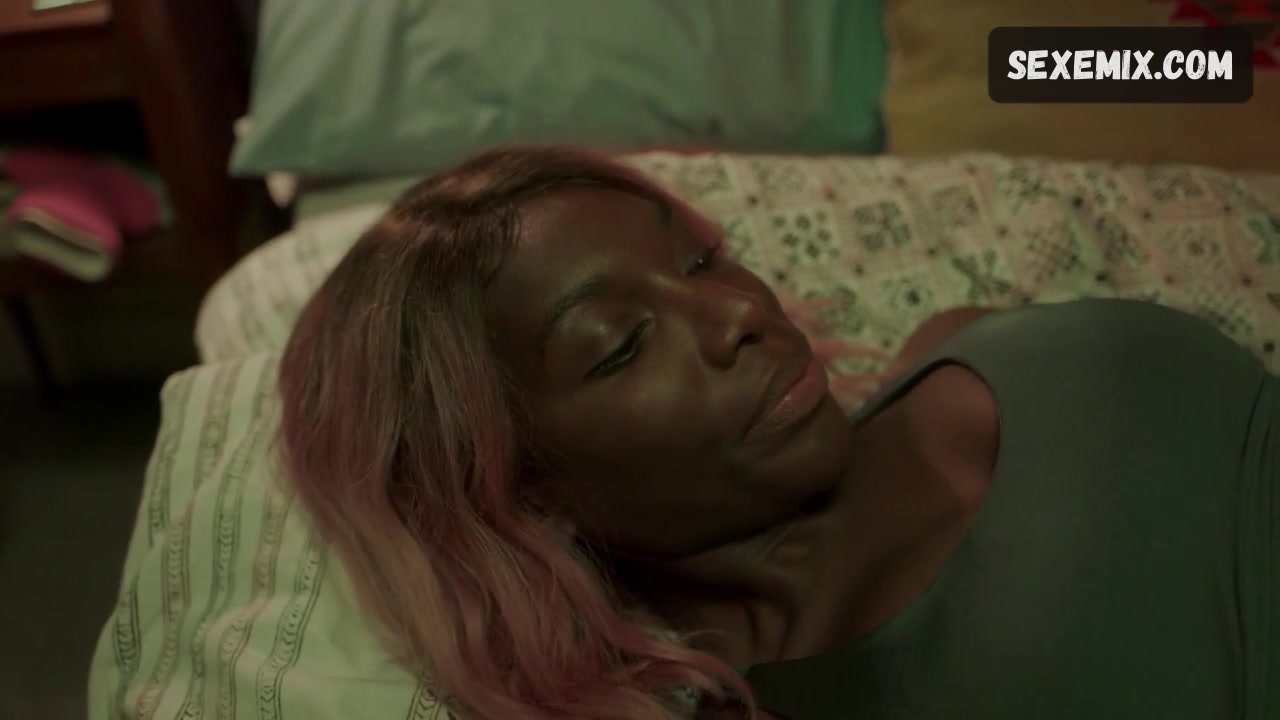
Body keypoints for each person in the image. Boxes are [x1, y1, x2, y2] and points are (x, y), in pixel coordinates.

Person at [277, 145, 1278, 720]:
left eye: (702, 260)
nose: (738, 313)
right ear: (520, 490)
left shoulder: (950, 344)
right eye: (621, 344)